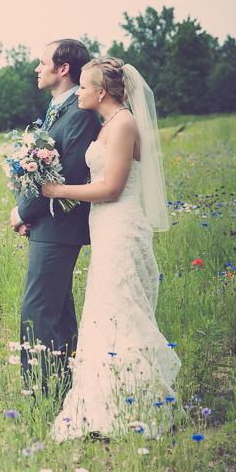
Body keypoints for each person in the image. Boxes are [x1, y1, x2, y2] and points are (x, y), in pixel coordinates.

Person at [41, 57, 181, 440]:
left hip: (119, 225)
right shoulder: (109, 124)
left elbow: (111, 189)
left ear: (101, 92)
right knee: (106, 311)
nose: (79, 92)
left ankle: (135, 402)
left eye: (84, 87)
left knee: (120, 308)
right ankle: (108, 399)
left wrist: (58, 190)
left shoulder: (122, 125)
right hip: (103, 227)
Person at [10, 39, 101, 391]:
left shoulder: (79, 115)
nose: (36, 68)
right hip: (48, 223)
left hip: (60, 226)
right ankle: (64, 386)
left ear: (63, 69)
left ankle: (39, 391)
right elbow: (38, 170)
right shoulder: (59, 108)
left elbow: (68, 176)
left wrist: (21, 211)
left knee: (37, 312)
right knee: (58, 312)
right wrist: (25, 208)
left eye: (42, 62)